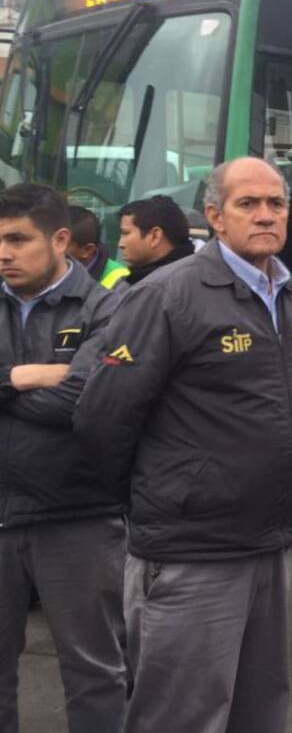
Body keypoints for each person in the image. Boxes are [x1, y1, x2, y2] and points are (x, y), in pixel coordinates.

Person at [74, 157, 292, 733]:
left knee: (261, 709)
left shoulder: (290, 297)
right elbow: (101, 418)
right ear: (215, 215)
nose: (265, 215)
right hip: (192, 553)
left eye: (276, 204)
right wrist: (166, 495)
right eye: (248, 204)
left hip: (272, 540)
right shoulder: (168, 295)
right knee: (182, 716)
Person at [0, 185, 126, 733]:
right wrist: (22, 376)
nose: (3, 254)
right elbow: (67, 390)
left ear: (59, 240)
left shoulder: (108, 307)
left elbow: (87, 402)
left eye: (16, 240)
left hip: (77, 517)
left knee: (93, 670)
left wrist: (8, 391)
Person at [117, 195, 195, 285]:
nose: (120, 244)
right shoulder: (192, 276)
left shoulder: (161, 287)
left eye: (126, 233)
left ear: (155, 236)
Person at [67, 204, 129, 289]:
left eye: (62, 243)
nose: (52, 250)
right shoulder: (58, 273)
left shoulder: (121, 282)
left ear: (87, 250)